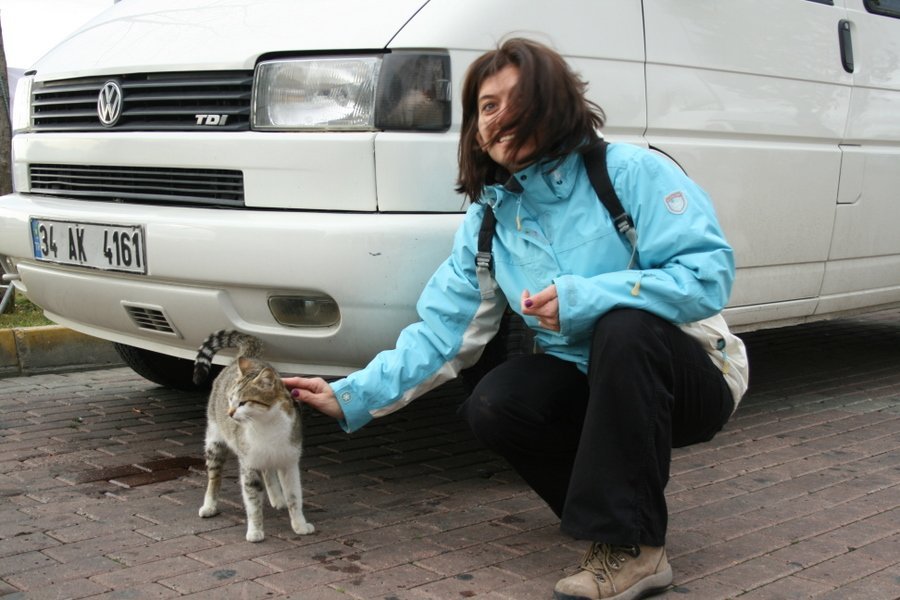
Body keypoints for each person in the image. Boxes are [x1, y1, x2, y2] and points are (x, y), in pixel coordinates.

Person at [284, 37, 741, 600]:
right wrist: (350, 395)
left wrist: (586, 296)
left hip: (690, 375)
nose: (501, 117)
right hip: (596, 383)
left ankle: (633, 546)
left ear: (555, 104)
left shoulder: (629, 172)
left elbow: (707, 275)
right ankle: (606, 514)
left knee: (624, 327)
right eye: (488, 106)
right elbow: (442, 334)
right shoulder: (489, 219)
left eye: (518, 100)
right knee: (495, 402)